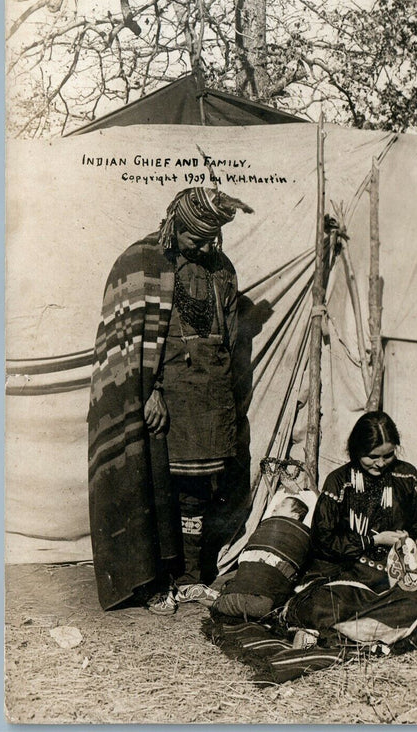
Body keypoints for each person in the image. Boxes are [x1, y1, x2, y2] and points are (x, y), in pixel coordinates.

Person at [88, 186, 253, 614]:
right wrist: (151, 391)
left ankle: (191, 577)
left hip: (209, 395)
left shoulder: (222, 270)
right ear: (175, 225)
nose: (201, 247)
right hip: (166, 393)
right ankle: (156, 581)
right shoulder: (144, 262)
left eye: (209, 240)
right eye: (194, 238)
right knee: (161, 486)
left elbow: (231, 337)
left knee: (199, 489)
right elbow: (134, 340)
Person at [283, 410, 417, 644]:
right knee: (319, 604)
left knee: (413, 603)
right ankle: (367, 632)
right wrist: (373, 541)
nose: (380, 463)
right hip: (346, 572)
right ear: (356, 450)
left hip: (391, 578)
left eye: (387, 456)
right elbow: (323, 540)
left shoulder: (406, 476)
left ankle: (339, 633)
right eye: (372, 456)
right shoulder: (339, 482)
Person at [210, 494, 310, 622]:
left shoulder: (298, 536)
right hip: (264, 606)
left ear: (295, 516)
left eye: (283, 505)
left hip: (233, 601)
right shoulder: (266, 529)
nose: (275, 507)